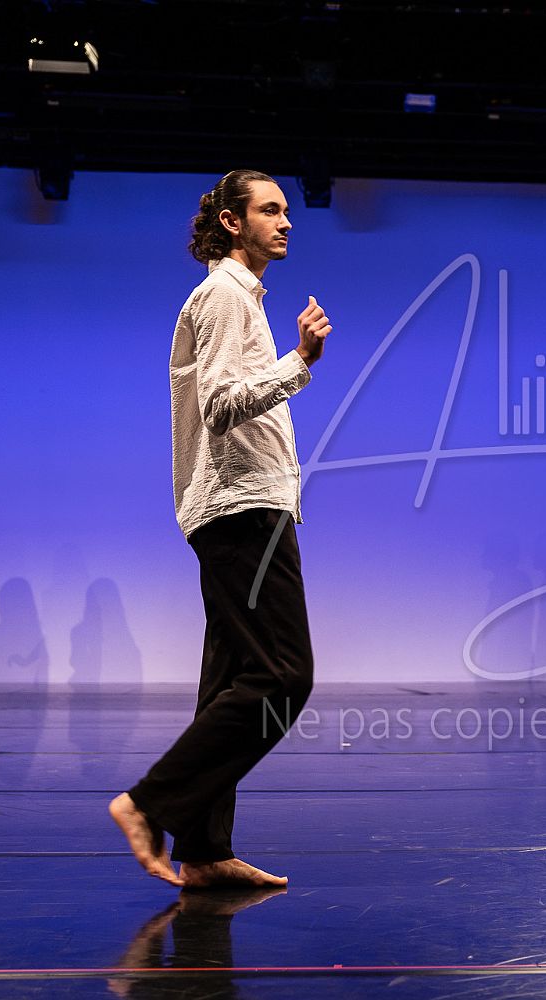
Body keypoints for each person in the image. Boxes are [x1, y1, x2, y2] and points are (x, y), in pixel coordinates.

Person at [109, 169, 332, 888]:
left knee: (232, 678)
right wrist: (300, 363)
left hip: (243, 505)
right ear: (233, 222)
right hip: (242, 509)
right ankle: (148, 802)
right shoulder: (225, 296)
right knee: (284, 675)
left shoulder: (240, 298)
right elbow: (222, 405)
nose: (286, 221)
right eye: (270, 210)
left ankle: (204, 849)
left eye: (287, 211)